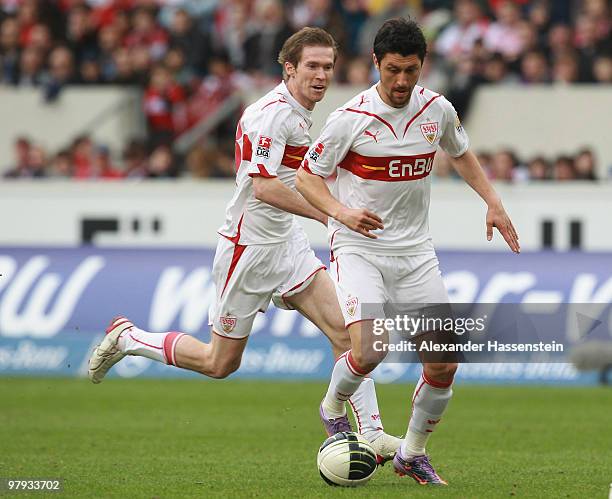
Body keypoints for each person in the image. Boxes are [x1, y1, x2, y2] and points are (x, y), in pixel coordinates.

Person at [88, 27, 401, 461]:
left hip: (287, 245)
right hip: (249, 250)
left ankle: (370, 433)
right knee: (220, 364)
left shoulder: (298, 113)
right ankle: (129, 339)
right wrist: (332, 215)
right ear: (289, 68)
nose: (321, 75)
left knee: (346, 335)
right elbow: (264, 189)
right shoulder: (269, 113)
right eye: (311, 66)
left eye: (328, 66)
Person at [296, 18, 520, 485]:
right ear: (375, 62)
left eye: (411, 71)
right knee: (372, 349)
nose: (401, 82)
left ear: (423, 66)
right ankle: (333, 404)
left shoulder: (436, 110)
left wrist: (493, 200)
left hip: (416, 251)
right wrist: (341, 212)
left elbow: (459, 151)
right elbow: (305, 177)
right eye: (393, 70)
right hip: (359, 247)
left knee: (443, 362)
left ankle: (412, 453)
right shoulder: (349, 120)